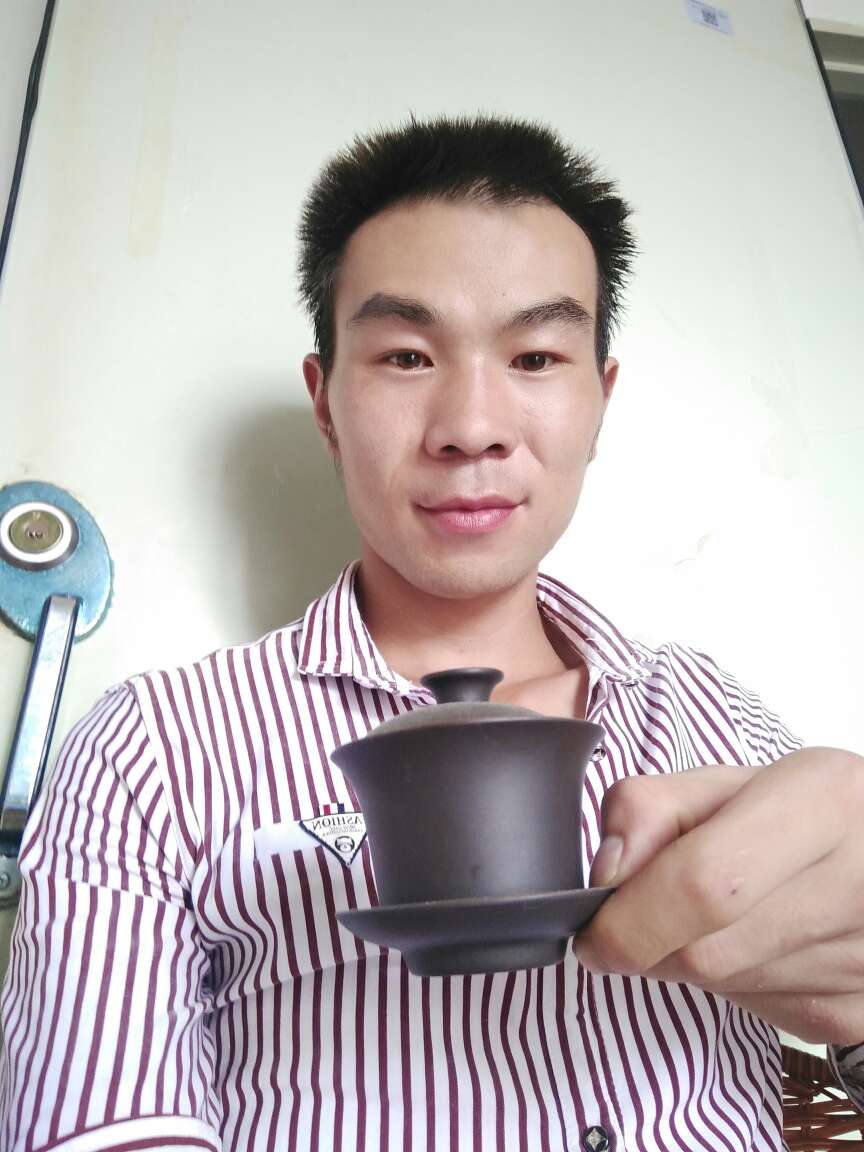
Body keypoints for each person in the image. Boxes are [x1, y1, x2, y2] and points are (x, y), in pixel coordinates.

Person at [0, 112, 862, 1152]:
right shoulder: (152, 749)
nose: (472, 428)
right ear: (325, 403)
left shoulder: (716, 720)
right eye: (407, 355)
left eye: (536, 355)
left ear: (600, 400)